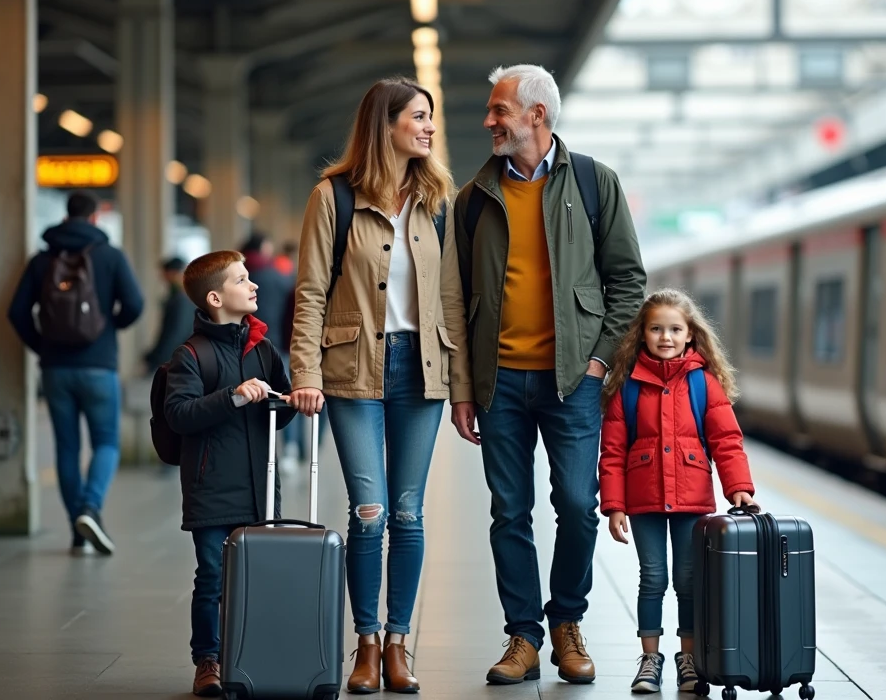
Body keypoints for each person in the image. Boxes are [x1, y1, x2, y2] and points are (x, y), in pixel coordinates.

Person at [453, 64, 646, 685]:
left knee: (579, 505)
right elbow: (455, 297)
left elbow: (628, 281)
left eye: (499, 110)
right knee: (509, 511)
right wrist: (463, 387)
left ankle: (566, 622)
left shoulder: (593, 182)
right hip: (499, 382)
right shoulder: (474, 197)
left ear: (536, 115)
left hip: (572, 380)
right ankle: (523, 636)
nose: (489, 120)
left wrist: (599, 361)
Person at [288, 77, 472, 694]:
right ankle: (365, 645)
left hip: (421, 369)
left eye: (430, 117)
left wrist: (461, 386)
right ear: (384, 125)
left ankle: (398, 644)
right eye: (418, 117)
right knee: (369, 512)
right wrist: (305, 373)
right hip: (352, 370)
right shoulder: (332, 197)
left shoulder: (437, 201)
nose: (429, 127)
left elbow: (451, 299)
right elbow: (310, 292)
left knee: (408, 512)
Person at [599, 289, 756, 693]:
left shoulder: (704, 383)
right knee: (652, 578)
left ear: (690, 335)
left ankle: (689, 659)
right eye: (656, 329)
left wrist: (738, 487)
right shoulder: (628, 385)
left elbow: (726, 441)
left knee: (688, 580)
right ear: (642, 333)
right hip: (643, 500)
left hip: (692, 499)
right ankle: (650, 659)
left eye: (674, 329)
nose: (665, 337)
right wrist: (614, 504)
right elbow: (612, 451)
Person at [161, 249, 296, 697]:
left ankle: (250, 656)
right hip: (211, 489)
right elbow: (179, 414)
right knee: (213, 577)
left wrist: (292, 401)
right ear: (215, 299)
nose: (253, 284)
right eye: (241, 280)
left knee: (257, 577)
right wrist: (234, 396)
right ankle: (208, 659)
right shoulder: (190, 355)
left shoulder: (264, 349)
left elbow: (279, 410)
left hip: (260, 487)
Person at [7, 190, 144, 556]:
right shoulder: (110, 256)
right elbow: (135, 304)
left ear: (66, 216)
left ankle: (78, 534)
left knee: (67, 448)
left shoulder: (42, 259)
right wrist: (108, 328)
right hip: (99, 366)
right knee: (106, 443)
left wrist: (43, 346)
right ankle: (90, 508)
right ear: (95, 217)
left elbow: (16, 312)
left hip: (55, 369)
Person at [241, 232, 301, 473]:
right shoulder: (279, 276)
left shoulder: (244, 276)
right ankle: (290, 450)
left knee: (248, 395)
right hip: (277, 343)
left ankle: (254, 451)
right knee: (283, 395)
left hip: (246, 344)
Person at [143, 256, 196, 371]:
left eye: (164, 274)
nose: (163, 278)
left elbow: (176, 333)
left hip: (180, 360)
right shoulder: (186, 296)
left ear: (172, 273)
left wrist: (157, 358)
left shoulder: (182, 299)